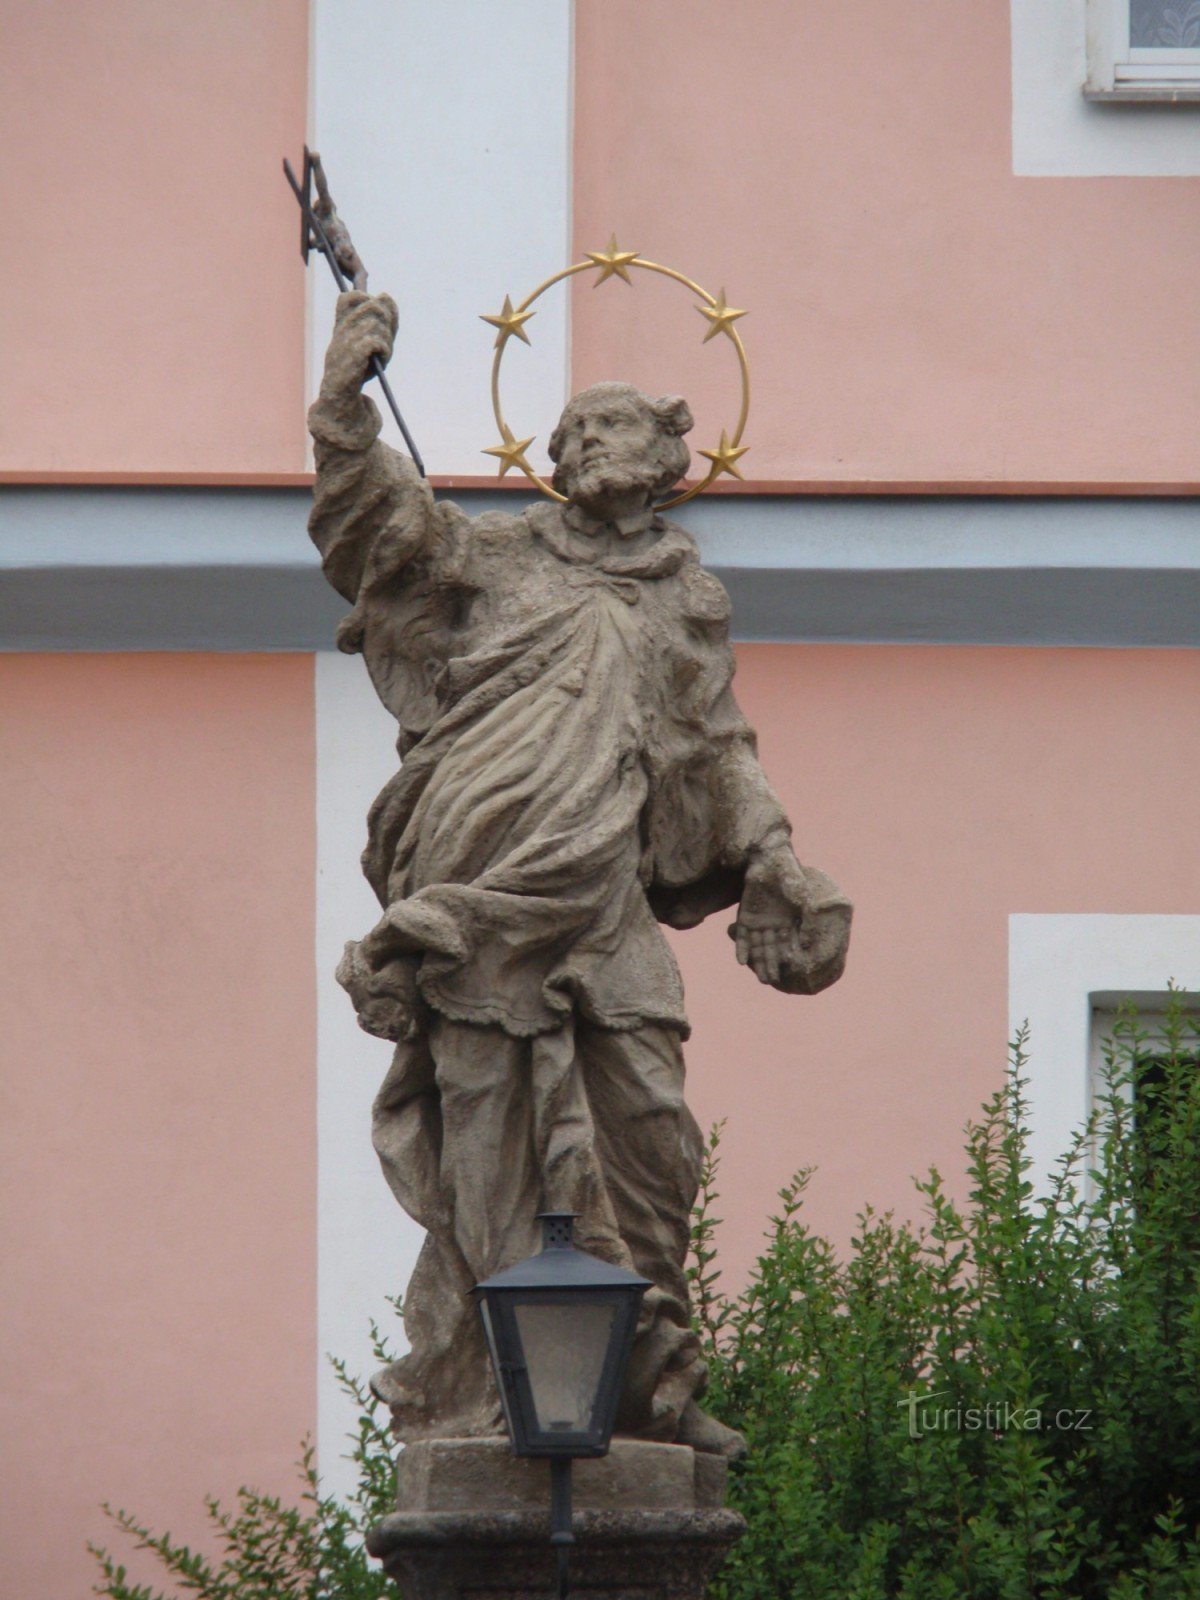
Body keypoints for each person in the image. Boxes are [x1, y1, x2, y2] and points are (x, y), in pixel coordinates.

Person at [308, 290, 852, 1457]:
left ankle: (645, 1381)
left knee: (653, 1136)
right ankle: (503, 1399)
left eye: (620, 427)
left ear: (671, 456)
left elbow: (715, 748)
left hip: (602, 893)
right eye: (575, 433)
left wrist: (775, 856)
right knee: (489, 1132)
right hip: (482, 876)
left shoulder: (686, 601)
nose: (593, 442)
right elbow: (383, 538)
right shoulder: (499, 555)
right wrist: (346, 411)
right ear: (552, 466)